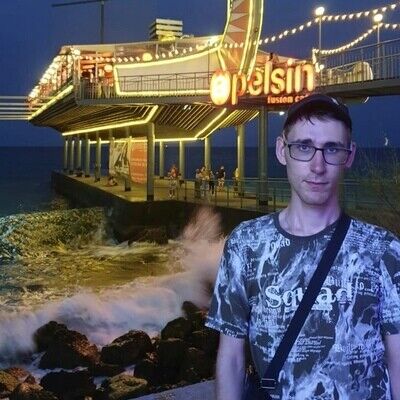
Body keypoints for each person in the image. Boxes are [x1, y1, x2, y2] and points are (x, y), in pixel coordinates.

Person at [206, 94, 400, 400]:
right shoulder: (246, 244)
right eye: (304, 147)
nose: (317, 166)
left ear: (349, 155)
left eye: (332, 149)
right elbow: (231, 358)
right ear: (282, 150)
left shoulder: (384, 250)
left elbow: (398, 359)